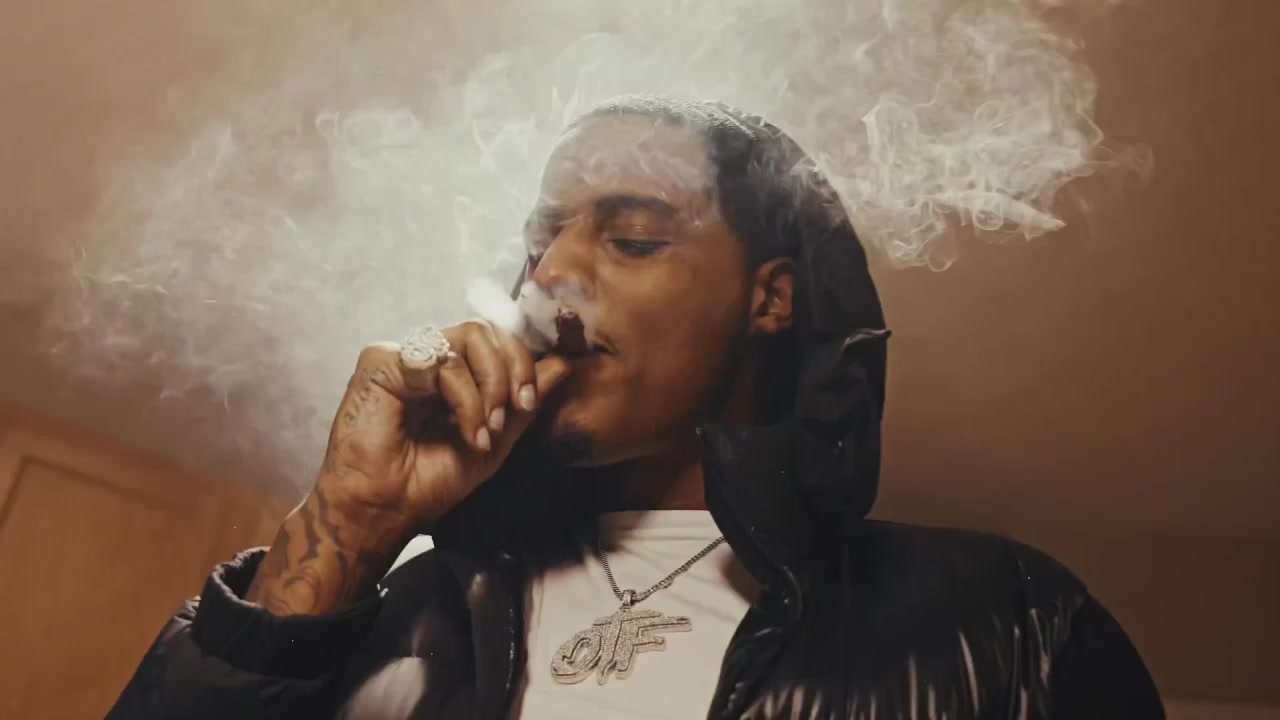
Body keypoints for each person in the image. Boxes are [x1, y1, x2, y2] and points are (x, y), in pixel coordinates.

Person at [108, 96, 1164, 719]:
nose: (551, 275)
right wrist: (351, 521)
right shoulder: (405, 614)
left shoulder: (1005, 616)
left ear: (769, 299)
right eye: (540, 242)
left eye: (633, 238)